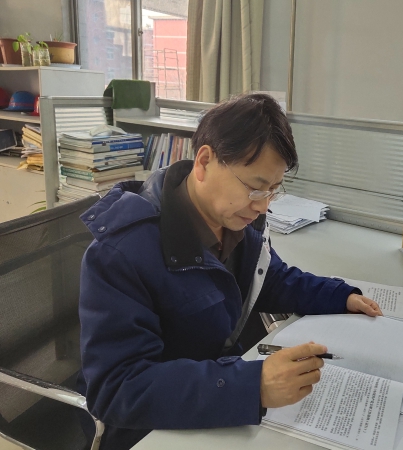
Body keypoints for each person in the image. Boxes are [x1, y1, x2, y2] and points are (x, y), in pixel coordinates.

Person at [77, 93, 382, 450]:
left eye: (273, 190)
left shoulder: (236, 221)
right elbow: (117, 389)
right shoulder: (120, 253)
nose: (263, 205)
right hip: (152, 431)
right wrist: (252, 385)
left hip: (216, 405)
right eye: (255, 188)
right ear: (205, 161)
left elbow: (270, 278)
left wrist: (339, 295)